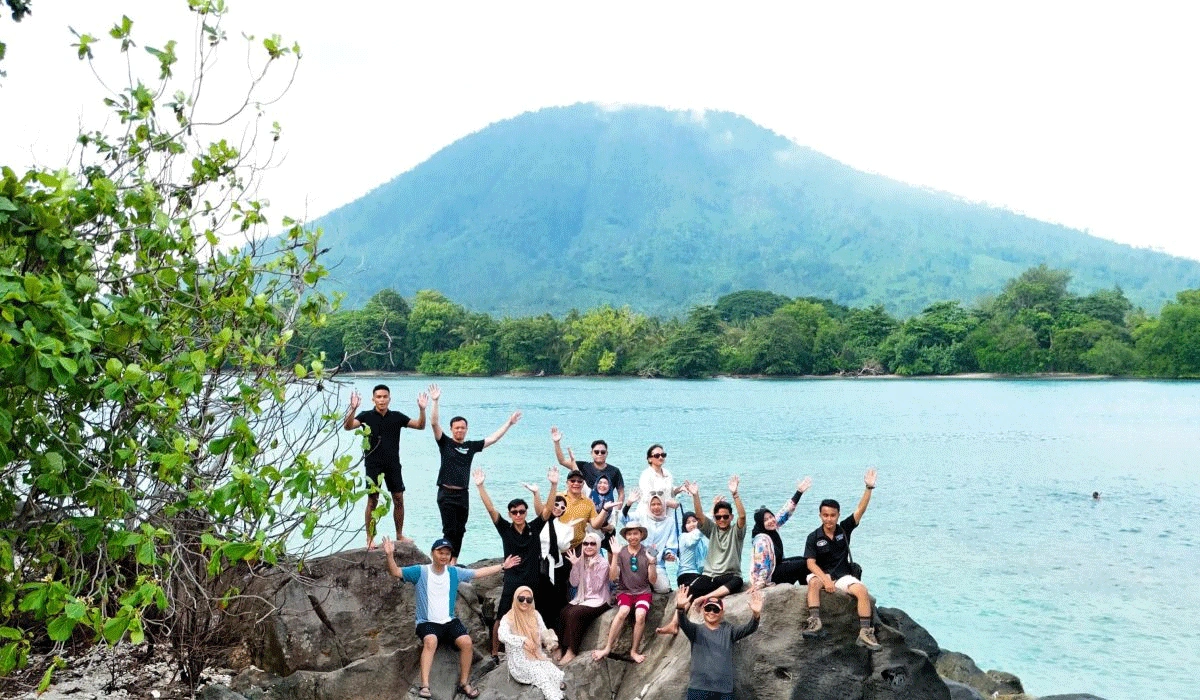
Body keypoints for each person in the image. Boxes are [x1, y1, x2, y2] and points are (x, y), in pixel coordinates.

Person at [380, 536, 518, 699]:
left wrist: (503, 566)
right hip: (427, 622)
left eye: (447, 553)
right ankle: (424, 685)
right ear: (433, 553)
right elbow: (395, 572)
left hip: (448, 621)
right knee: (431, 641)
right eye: (440, 552)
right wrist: (389, 555)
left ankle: (464, 683)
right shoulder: (420, 571)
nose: (444, 556)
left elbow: (478, 573)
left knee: (466, 642)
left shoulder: (454, 572)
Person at [429, 383, 521, 564]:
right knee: (449, 530)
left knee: (461, 529)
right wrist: (435, 401)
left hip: (463, 493)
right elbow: (433, 423)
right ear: (451, 429)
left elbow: (492, 439)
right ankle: (444, 561)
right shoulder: (445, 443)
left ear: (466, 429)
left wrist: (509, 423)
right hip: (446, 493)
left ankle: (453, 560)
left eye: (462, 428)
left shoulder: (470, 446)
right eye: (456, 428)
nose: (459, 430)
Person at [474, 467, 556, 662]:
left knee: (533, 615)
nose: (518, 514)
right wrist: (480, 486)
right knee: (501, 616)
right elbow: (491, 509)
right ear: (510, 514)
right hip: (512, 579)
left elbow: (547, 510)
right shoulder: (505, 529)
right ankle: (494, 652)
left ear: (526, 512)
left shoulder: (534, 528)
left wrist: (553, 485)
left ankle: (534, 648)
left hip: (532, 579)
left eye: (521, 511)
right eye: (514, 512)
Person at [803, 468, 880, 650]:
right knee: (813, 584)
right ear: (820, 515)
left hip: (842, 575)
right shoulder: (813, 536)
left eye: (833, 515)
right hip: (821, 574)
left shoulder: (844, 529)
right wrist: (824, 579)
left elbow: (860, 510)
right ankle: (815, 621)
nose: (829, 519)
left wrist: (869, 488)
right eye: (825, 515)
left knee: (862, 591)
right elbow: (810, 563)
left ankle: (865, 633)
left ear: (838, 515)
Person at [656, 478, 745, 637]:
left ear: (731, 517)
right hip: (709, 576)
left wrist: (735, 494)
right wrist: (695, 495)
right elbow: (699, 516)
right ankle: (673, 624)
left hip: (729, 575)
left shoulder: (736, 532)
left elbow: (743, 517)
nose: (722, 520)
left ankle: (705, 597)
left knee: (737, 581)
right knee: (688, 591)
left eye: (725, 517)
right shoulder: (712, 530)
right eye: (718, 517)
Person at [342, 384, 428, 549]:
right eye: (378, 397)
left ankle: (399, 534)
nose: (382, 400)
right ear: (373, 399)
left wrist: (422, 409)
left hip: (393, 464)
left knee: (398, 499)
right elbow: (348, 426)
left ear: (389, 398)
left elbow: (420, 425)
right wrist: (352, 409)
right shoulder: (366, 416)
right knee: (372, 501)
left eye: (385, 397)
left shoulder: (397, 416)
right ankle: (369, 537)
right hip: (373, 464)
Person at [672, 584, 762, 700]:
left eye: (716, 609)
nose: (711, 612)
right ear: (703, 610)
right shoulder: (695, 630)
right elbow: (683, 622)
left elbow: (749, 628)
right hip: (698, 689)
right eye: (708, 608)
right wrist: (680, 607)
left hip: (723, 691)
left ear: (722, 612)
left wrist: (756, 615)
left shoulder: (729, 630)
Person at [592, 520, 657, 663]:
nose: (632, 537)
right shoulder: (620, 552)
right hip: (625, 592)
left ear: (641, 534)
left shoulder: (649, 552)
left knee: (640, 615)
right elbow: (613, 576)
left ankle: (634, 650)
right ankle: (607, 647)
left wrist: (652, 562)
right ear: (626, 536)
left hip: (643, 592)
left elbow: (652, 580)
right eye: (629, 534)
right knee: (623, 611)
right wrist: (614, 555)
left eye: (635, 533)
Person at [497, 585, 566, 700]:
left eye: (529, 600)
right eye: (521, 599)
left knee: (557, 675)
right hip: (520, 661)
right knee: (543, 679)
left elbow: (543, 630)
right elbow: (502, 635)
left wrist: (550, 640)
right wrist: (522, 640)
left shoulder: (535, 614)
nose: (525, 602)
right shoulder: (508, 618)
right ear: (515, 598)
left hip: (536, 655)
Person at [558, 531, 611, 665]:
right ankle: (561, 647)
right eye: (585, 543)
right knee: (564, 611)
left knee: (574, 613)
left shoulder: (603, 563)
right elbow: (574, 582)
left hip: (599, 600)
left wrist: (592, 569)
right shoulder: (581, 560)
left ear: (598, 546)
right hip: (583, 598)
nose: (588, 546)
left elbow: (596, 587)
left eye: (592, 544)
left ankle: (571, 650)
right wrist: (575, 566)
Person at [750, 476, 813, 587]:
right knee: (803, 564)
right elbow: (762, 563)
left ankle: (806, 587)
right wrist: (759, 584)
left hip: (777, 567)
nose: (770, 520)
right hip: (770, 576)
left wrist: (799, 492)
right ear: (760, 523)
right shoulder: (761, 540)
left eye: (771, 517)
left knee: (804, 560)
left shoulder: (771, 527)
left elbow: (785, 512)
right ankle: (808, 588)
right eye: (765, 520)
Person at [621, 491, 676, 592]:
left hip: (657, 563)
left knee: (663, 589)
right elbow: (624, 519)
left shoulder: (670, 522)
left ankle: (650, 583)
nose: (656, 507)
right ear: (649, 505)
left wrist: (669, 554)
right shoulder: (642, 516)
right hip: (639, 560)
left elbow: (671, 543)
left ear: (664, 505)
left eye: (659, 504)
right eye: (653, 504)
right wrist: (628, 504)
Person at [551, 427, 625, 502]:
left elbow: (621, 493)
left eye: (603, 452)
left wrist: (616, 510)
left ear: (607, 454)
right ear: (591, 453)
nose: (599, 454)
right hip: (585, 506)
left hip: (606, 508)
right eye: (596, 452)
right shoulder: (583, 466)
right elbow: (562, 461)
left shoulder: (615, 471)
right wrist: (556, 442)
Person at [636, 444, 682, 518]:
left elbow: (669, 493)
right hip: (649, 515)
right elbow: (648, 497)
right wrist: (668, 503)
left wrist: (680, 489)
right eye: (657, 455)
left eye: (663, 455)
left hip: (665, 515)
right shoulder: (646, 475)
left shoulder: (667, 473)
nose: (660, 457)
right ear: (649, 459)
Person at [676, 511, 708, 589]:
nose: (692, 524)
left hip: (698, 574)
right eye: (688, 522)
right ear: (684, 526)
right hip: (686, 575)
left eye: (694, 521)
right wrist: (710, 513)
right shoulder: (684, 537)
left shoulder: (702, 541)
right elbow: (697, 534)